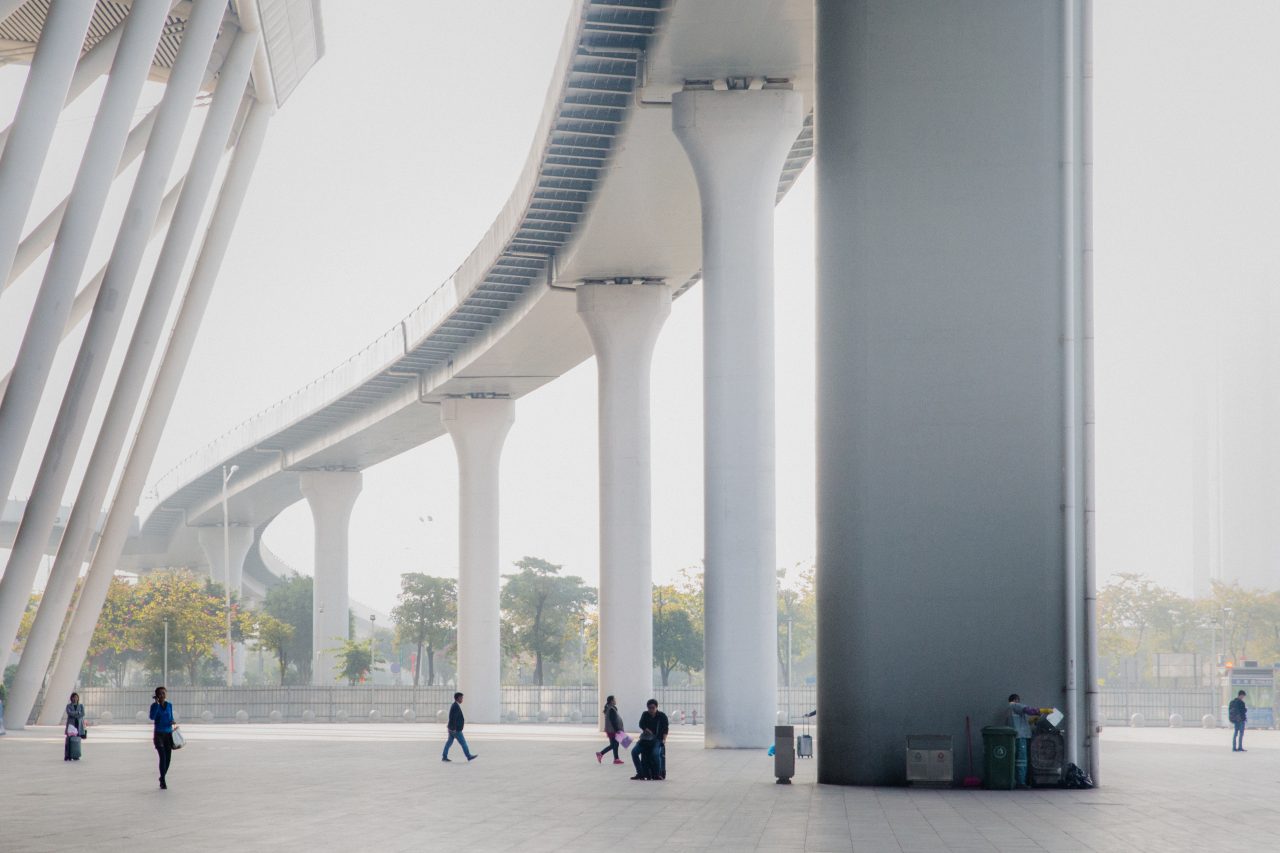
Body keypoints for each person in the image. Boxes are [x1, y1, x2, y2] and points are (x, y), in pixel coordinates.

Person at [1007, 694, 1041, 788]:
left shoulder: (1011, 710)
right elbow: (1028, 710)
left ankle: (1018, 780)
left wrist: (1031, 721)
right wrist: (1040, 711)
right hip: (1020, 736)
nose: (1019, 702)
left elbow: (1020, 722)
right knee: (1021, 760)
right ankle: (1020, 782)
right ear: (1015, 700)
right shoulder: (1014, 705)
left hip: (1017, 736)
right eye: (1018, 700)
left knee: (1018, 759)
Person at [149, 686, 177, 789]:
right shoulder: (154, 706)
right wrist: (156, 705)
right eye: (160, 693)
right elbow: (152, 717)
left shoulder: (169, 705)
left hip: (168, 734)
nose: (162, 695)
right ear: (156, 695)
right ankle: (163, 780)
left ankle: (162, 777)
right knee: (163, 757)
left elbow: (171, 717)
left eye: (163, 693)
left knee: (168, 759)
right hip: (159, 735)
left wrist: (172, 721)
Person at [631, 699, 664, 780]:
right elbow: (641, 724)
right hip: (645, 739)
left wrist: (664, 740)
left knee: (655, 754)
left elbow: (666, 729)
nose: (651, 710)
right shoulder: (645, 714)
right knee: (634, 752)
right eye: (649, 708)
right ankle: (640, 773)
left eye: (653, 708)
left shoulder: (661, 716)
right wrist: (646, 729)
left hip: (657, 739)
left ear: (656, 707)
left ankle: (657, 774)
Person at [442, 692, 477, 762]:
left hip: (451, 729)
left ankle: (444, 756)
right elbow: (454, 718)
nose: (462, 699)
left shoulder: (455, 705)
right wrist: (454, 728)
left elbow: (452, 717)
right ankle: (468, 756)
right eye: (461, 698)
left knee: (449, 743)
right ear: (458, 698)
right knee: (463, 743)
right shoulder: (455, 706)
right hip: (455, 730)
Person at [596, 695, 625, 765]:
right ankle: (600, 753)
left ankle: (616, 759)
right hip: (613, 731)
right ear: (612, 701)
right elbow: (613, 721)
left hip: (611, 730)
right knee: (614, 745)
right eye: (614, 699)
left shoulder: (610, 708)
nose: (615, 701)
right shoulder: (611, 709)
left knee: (615, 744)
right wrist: (617, 730)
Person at [64, 692, 86, 761]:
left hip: (78, 725)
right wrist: (77, 713)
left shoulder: (81, 705)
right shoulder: (68, 706)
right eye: (74, 697)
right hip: (71, 726)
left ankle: (76, 755)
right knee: (69, 740)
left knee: (77, 741)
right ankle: (68, 755)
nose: (75, 698)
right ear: (71, 698)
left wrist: (75, 714)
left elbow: (83, 714)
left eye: (76, 697)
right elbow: (69, 713)